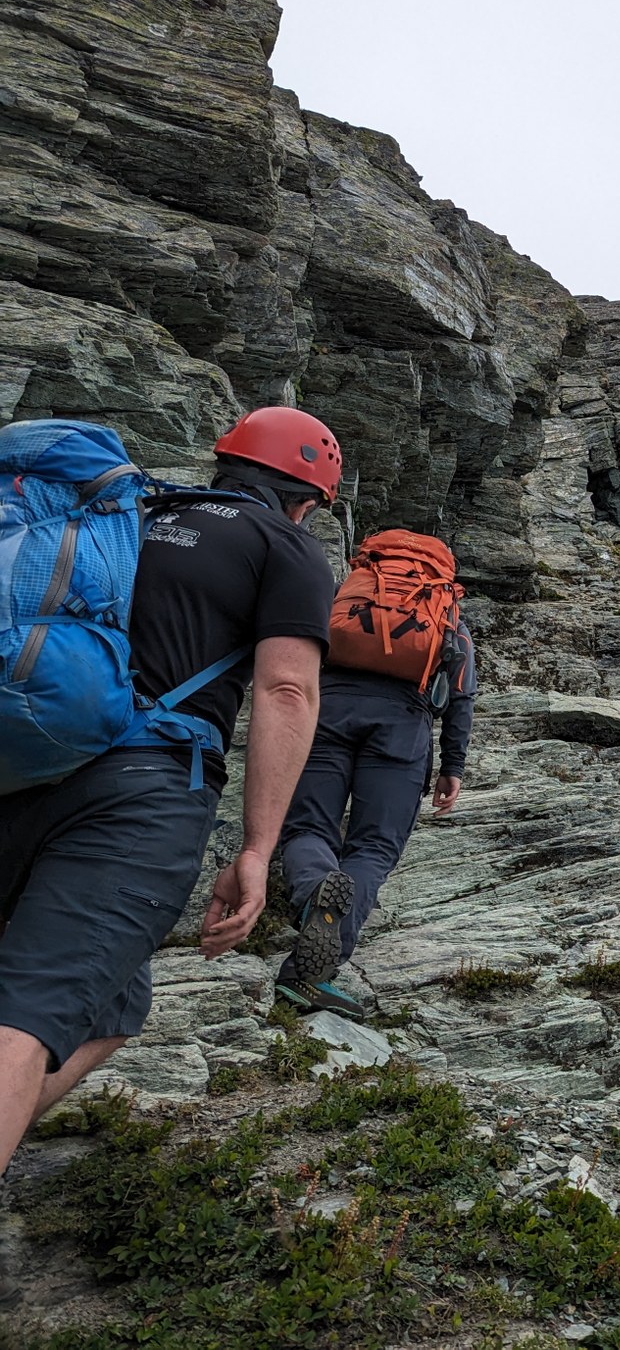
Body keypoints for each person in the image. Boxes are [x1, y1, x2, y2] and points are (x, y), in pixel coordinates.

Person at [0, 406, 341, 1175]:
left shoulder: (128, 513)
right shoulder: (283, 545)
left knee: (114, 1003)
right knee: (33, 1010)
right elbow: (286, 690)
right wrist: (257, 849)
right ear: (306, 502)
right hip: (139, 793)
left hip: (23, 761)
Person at [275, 533, 475, 1018]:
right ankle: (310, 974)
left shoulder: (345, 595)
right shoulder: (446, 613)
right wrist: (452, 766)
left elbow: (297, 650)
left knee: (306, 828)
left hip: (326, 715)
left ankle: (315, 888)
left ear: (369, 559)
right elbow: (461, 694)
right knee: (374, 848)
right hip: (402, 728)